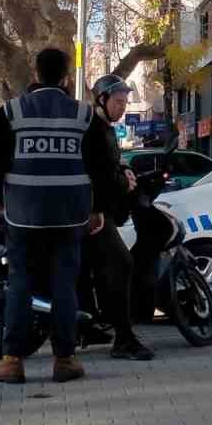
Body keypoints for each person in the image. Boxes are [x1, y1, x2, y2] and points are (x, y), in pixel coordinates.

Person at [0, 48, 119, 384]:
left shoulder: (12, 111)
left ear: (36, 74)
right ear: (66, 78)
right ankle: (65, 360)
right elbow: (102, 167)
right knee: (65, 284)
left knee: (20, 282)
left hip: (23, 214)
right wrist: (99, 209)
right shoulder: (83, 115)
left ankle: (11, 361)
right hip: (70, 215)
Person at [80, 74, 155, 361]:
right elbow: (99, 174)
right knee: (122, 264)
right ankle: (124, 339)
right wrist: (124, 183)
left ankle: (86, 327)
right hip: (93, 213)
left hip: (98, 209)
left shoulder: (105, 129)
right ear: (102, 99)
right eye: (118, 101)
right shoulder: (93, 130)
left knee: (90, 269)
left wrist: (124, 169)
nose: (122, 107)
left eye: (125, 102)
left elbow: (111, 164)